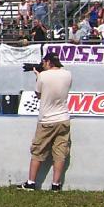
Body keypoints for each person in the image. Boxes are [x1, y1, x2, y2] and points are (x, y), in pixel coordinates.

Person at [22, 53, 71, 191]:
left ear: (48, 62)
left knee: (38, 151)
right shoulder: (67, 74)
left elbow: (39, 94)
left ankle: (31, 182)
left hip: (47, 120)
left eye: (43, 62)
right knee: (60, 153)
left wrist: (38, 76)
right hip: (63, 118)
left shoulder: (43, 76)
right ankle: (56, 184)